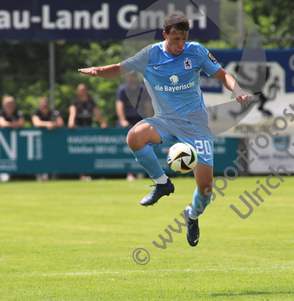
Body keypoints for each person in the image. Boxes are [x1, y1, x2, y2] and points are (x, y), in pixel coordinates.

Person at [78, 12, 251, 247]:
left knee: (206, 188)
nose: (180, 44)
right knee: (134, 137)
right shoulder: (150, 54)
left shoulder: (197, 51)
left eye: (184, 38)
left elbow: (223, 75)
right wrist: (98, 71)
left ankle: (192, 215)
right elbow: (119, 68)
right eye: (176, 39)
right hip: (165, 120)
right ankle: (162, 183)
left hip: (195, 126)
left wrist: (237, 89)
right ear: (165, 34)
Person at [116, 71, 153, 181]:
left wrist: (150, 120)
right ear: (127, 76)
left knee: (144, 146)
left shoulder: (143, 89)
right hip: (127, 122)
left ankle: (142, 171)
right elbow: (119, 105)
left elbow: (147, 105)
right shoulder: (122, 89)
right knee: (127, 147)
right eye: (130, 75)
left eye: (134, 75)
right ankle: (129, 172)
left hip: (139, 120)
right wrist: (122, 120)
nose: (132, 77)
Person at [68, 84, 107, 181]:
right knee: (80, 153)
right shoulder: (75, 102)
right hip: (78, 130)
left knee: (89, 151)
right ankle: (82, 174)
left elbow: (97, 113)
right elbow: (72, 113)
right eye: (80, 90)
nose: (82, 92)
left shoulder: (91, 102)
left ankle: (90, 172)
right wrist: (71, 123)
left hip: (88, 129)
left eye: (84, 90)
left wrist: (102, 123)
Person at [32, 97, 65, 181]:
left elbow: (61, 123)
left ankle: (53, 174)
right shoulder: (36, 112)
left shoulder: (53, 112)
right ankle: (40, 173)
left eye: (46, 105)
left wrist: (54, 125)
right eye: (42, 105)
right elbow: (36, 123)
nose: (44, 107)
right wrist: (48, 124)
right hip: (38, 140)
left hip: (52, 141)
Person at [0, 95, 25, 182]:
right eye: (8, 104)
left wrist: (17, 124)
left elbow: (22, 122)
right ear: (4, 105)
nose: (10, 106)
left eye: (12, 104)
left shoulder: (17, 112)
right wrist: (12, 125)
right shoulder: (1, 112)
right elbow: (2, 123)